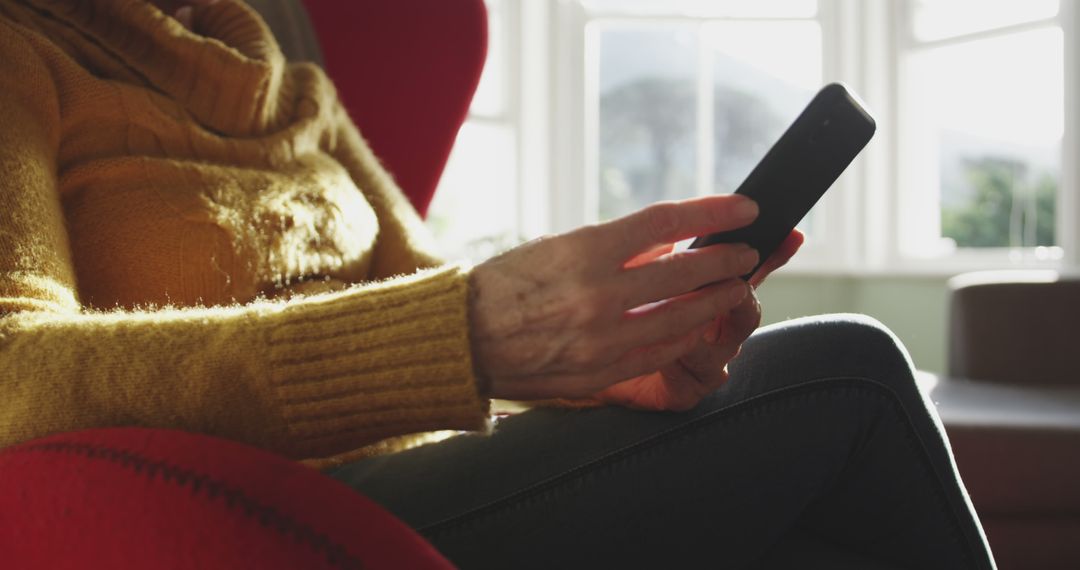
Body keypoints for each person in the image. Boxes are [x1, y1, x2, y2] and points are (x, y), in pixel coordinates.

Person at [0, 0, 996, 568]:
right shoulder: (24, 51)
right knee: (848, 375)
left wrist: (603, 358)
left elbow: (432, 295)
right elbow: (12, 370)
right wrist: (473, 333)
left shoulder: (292, 81)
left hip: (438, 475)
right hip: (247, 514)